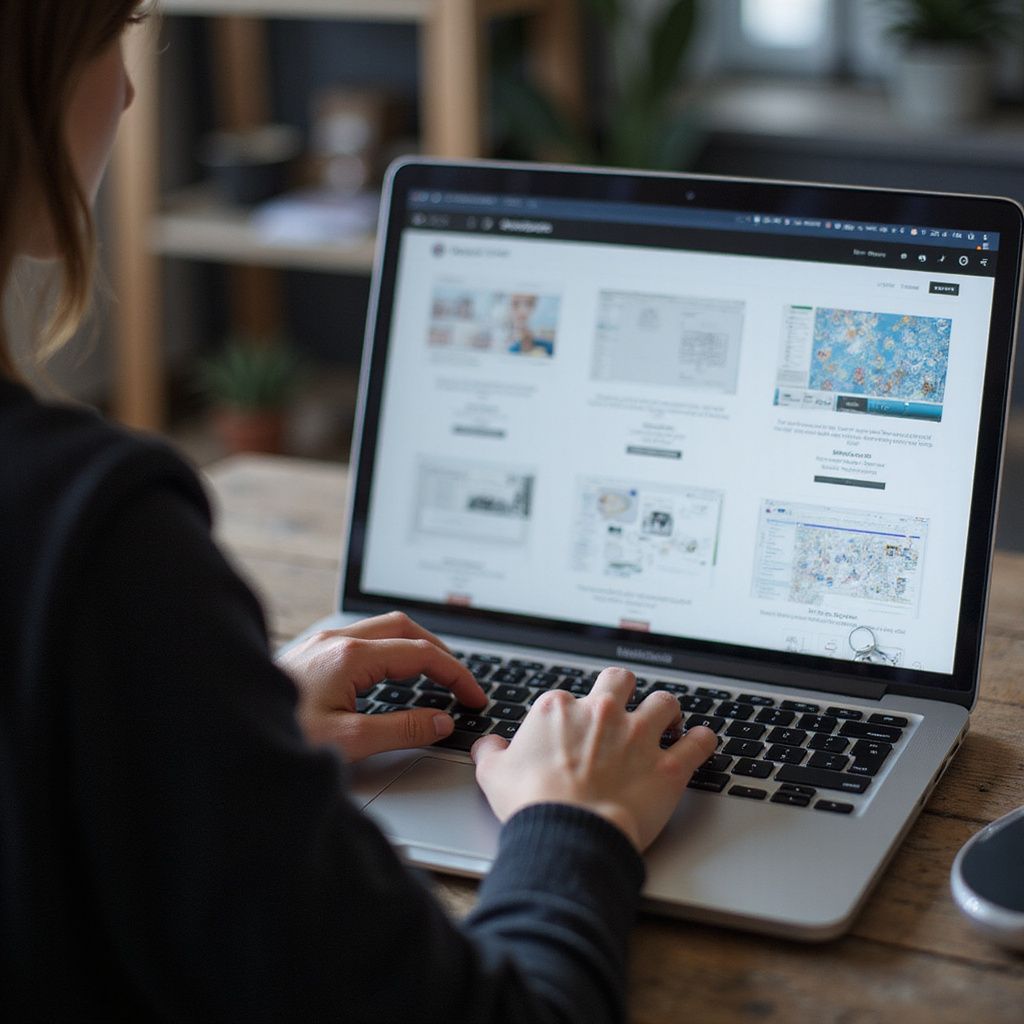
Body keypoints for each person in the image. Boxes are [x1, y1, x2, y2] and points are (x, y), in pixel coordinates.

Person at [0, 3, 717, 1020]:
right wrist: (574, 819)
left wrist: (212, 732)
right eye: (103, 40)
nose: (123, 91)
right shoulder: (95, 541)